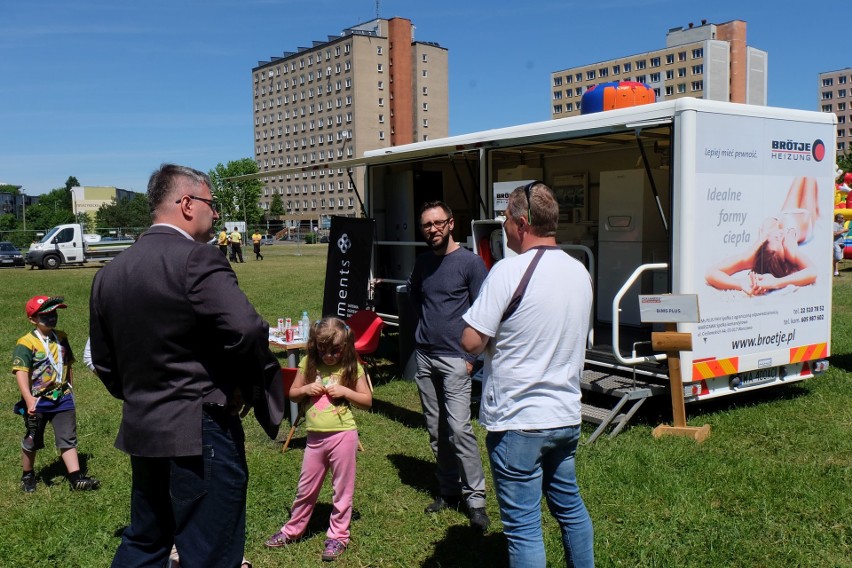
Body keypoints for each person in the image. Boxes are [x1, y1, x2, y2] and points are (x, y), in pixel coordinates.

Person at [89, 163, 285, 568]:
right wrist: (244, 386)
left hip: (145, 427)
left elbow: (105, 362)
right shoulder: (197, 259)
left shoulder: (110, 274)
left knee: (145, 541)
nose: (216, 214)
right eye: (212, 204)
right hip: (202, 430)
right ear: (186, 203)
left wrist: (145, 397)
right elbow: (247, 329)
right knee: (210, 552)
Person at [461, 181, 595, 567]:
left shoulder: (508, 270)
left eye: (504, 220)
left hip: (519, 418)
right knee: (570, 508)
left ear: (522, 223)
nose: (502, 228)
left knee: (523, 527)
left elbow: (471, 341)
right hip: (565, 415)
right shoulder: (579, 271)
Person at [407, 200, 490, 531]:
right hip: (425, 357)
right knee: (436, 428)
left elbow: (485, 312)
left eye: (438, 223)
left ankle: (477, 501)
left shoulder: (470, 263)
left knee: (459, 429)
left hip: (457, 358)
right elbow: (415, 297)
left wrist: (471, 358)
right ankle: (448, 491)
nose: (433, 229)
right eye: (427, 225)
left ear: (451, 223)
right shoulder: (423, 262)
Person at [264, 317, 372, 562]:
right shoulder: (308, 363)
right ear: (315, 346)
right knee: (305, 488)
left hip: (343, 436)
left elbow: (367, 401)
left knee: (342, 490)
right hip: (314, 439)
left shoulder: (351, 367)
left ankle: (338, 536)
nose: (330, 356)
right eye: (324, 350)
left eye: (335, 350)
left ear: (345, 346)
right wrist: (305, 390)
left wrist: (345, 391)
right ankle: (292, 530)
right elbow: (292, 394)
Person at [12, 295, 100, 493]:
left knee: (68, 437)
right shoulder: (26, 343)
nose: (52, 318)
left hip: (62, 397)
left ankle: (76, 478)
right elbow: (21, 372)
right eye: (45, 315)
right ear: (32, 320)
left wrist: (71, 389)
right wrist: (28, 399)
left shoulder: (61, 337)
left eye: (54, 313)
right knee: (32, 439)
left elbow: (67, 365)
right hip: (37, 400)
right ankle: (27, 475)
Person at [706, 176, 819, 295]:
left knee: (799, 178)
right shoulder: (789, 249)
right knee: (809, 179)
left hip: (784, 215)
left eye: (777, 239)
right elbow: (812, 271)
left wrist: (739, 284)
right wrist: (777, 282)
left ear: (764, 244)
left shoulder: (754, 252)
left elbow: (711, 272)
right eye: (780, 241)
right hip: (805, 219)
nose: (781, 236)